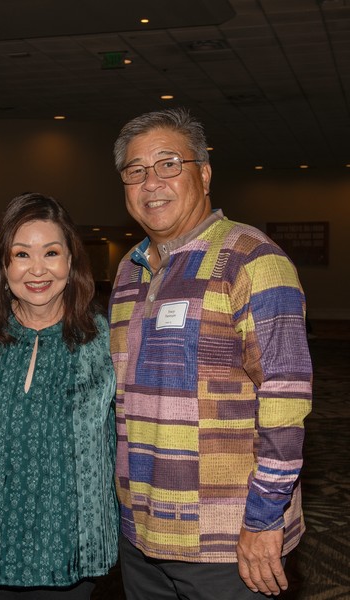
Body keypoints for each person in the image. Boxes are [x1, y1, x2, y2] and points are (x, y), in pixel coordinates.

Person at [109, 108, 312, 599]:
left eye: (168, 164)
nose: (151, 182)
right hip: (141, 535)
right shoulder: (128, 271)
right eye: (135, 171)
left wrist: (263, 520)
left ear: (203, 174)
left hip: (228, 543)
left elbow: (285, 402)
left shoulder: (252, 259)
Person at [0, 193, 119, 599]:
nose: (38, 269)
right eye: (21, 254)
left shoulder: (107, 340)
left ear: (71, 260)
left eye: (51, 252)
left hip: (72, 556)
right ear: (3, 265)